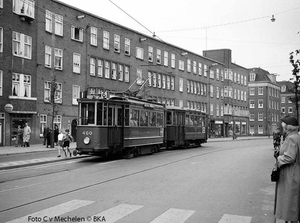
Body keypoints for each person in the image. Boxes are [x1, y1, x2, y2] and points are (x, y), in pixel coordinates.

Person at [274, 116, 300, 223]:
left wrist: (278, 159)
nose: (282, 126)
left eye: (283, 124)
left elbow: (289, 157)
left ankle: (290, 219)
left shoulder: (291, 138)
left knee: (290, 201)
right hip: (294, 172)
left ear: (288, 126)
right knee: (292, 201)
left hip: (290, 173)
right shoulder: (295, 136)